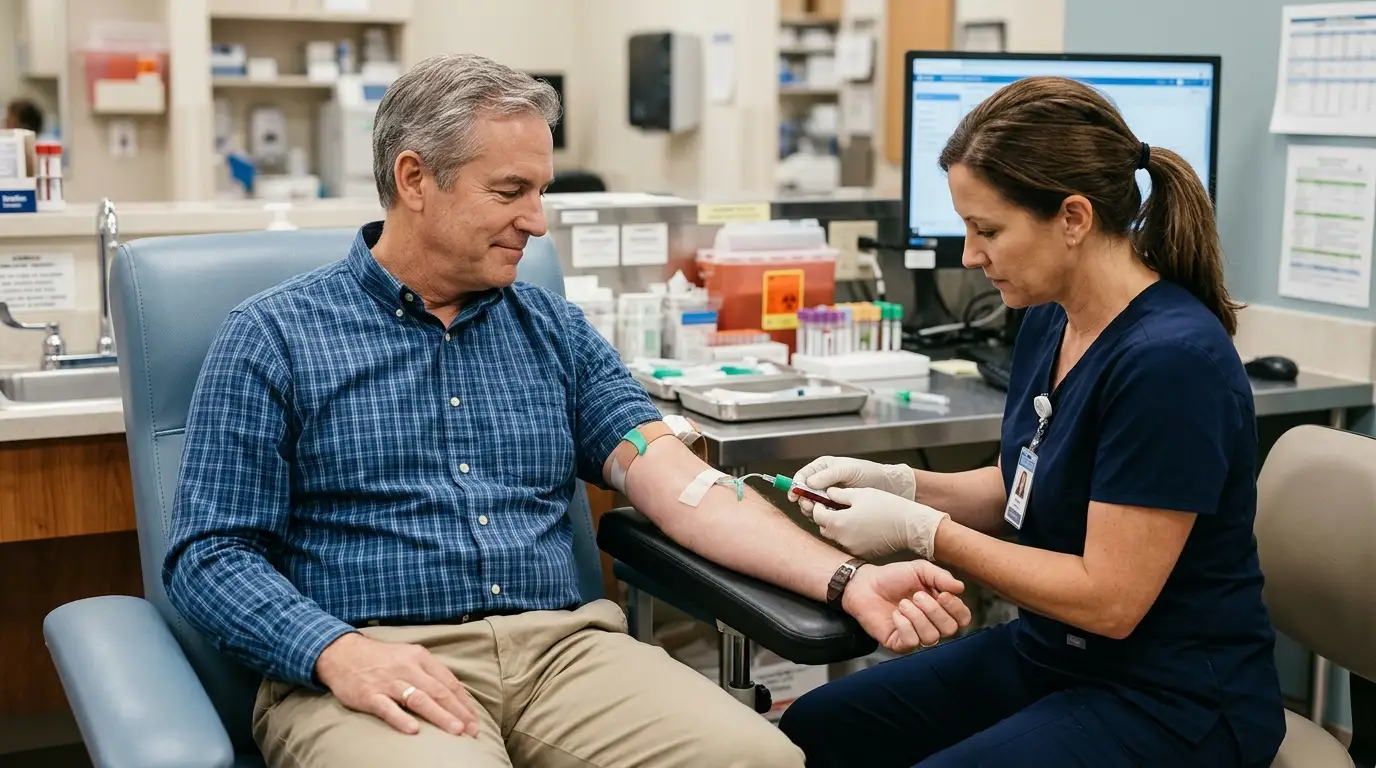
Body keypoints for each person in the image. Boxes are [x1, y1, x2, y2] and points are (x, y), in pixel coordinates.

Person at [165, 52, 973, 768]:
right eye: (510, 191)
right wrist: (335, 651)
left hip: (564, 655)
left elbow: (679, 488)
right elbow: (210, 555)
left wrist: (846, 580)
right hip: (377, 659)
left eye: (541, 190)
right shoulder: (273, 336)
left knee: (753, 756)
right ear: (415, 180)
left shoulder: (550, 328)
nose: (538, 221)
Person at [776, 75, 1285, 768]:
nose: (969, 255)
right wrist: (902, 485)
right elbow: (1026, 480)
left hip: (1175, 699)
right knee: (821, 725)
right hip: (1056, 655)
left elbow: (1109, 600)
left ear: (1073, 218)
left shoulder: (1171, 363)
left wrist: (923, 535)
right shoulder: (1050, 317)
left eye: (987, 230)